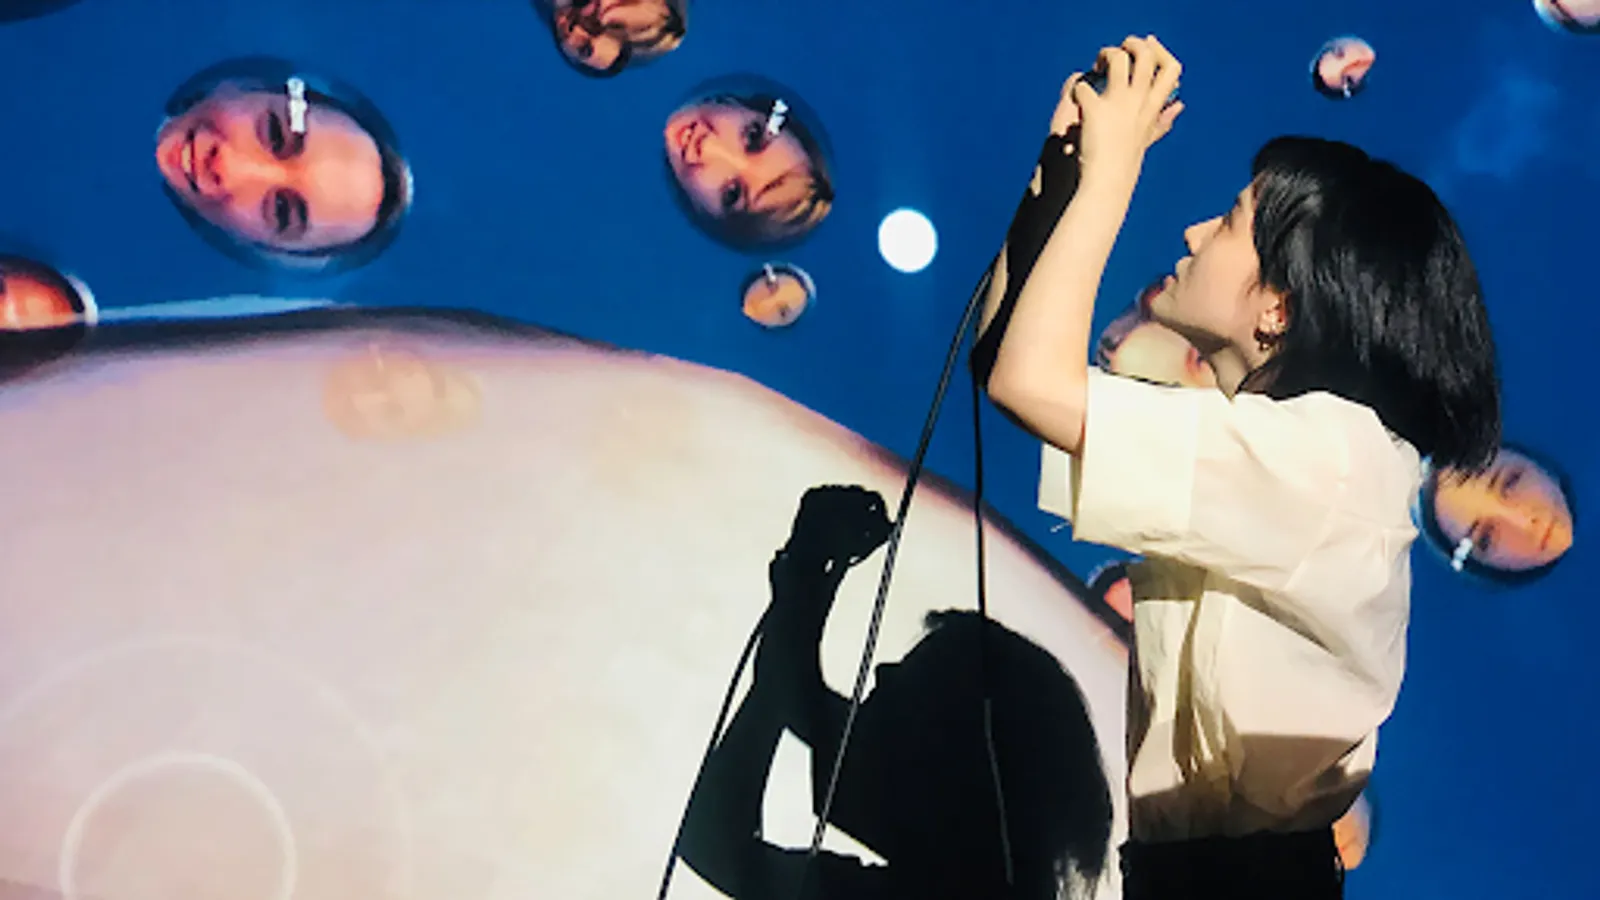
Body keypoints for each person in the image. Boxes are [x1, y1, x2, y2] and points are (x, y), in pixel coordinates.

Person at [972, 34, 1501, 898]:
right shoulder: (1264, 446)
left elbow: (1028, 381)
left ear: (1280, 310)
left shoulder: (1334, 462)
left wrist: (1113, 172)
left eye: (1225, 223)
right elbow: (1007, 360)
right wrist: (1060, 179)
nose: (1190, 232)